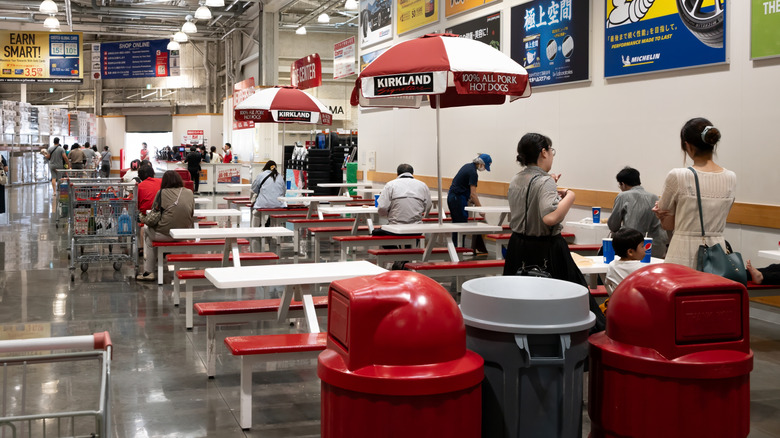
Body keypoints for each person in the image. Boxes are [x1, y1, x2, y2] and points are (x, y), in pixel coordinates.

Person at [503, 133, 606, 331]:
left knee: (521, 298)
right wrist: (570, 196)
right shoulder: (544, 182)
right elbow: (550, 218)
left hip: (518, 245)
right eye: (551, 151)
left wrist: (549, 184)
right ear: (543, 152)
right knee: (571, 297)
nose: (552, 155)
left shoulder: (517, 178)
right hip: (546, 248)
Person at [652, 118, 737, 269]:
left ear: (687, 145)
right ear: (713, 144)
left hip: (683, 253)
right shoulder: (730, 177)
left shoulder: (677, 176)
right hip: (717, 254)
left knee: (683, 291)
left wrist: (660, 213)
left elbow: (668, 224)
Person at [137, 170, 194, 281]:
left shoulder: (162, 193)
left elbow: (153, 215)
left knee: (147, 232)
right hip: (184, 234)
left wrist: (142, 218)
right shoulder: (189, 192)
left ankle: (149, 271)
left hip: (165, 234)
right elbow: (191, 213)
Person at [372, 163, 432, 267]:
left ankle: (398, 255)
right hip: (416, 229)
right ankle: (406, 257)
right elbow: (428, 206)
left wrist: (387, 215)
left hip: (395, 228)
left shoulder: (391, 185)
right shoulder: (422, 185)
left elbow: (381, 207)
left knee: (376, 232)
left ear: (397, 173)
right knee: (414, 231)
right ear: (412, 173)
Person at [607, 166, 668, 258]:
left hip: (634, 249)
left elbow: (613, 226)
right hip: (657, 248)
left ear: (623, 184)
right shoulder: (655, 197)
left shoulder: (623, 196)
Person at [447, 153, 491, 249]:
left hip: (454, 197)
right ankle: (458, 250)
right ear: (481, 164)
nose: (483, 168)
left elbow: (465, 188)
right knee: (461, 226)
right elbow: (473, 194)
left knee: (458, 225)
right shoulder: (473, 173)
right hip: (457, 199)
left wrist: (471, 200)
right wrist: (481, 209)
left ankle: (457, 249)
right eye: (484, 166)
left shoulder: (467, 166)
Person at [605, 228, 647, 295]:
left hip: (617, 302)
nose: (645, 249)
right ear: (630, 252)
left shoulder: (612, 265)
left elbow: (607, 284)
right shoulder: (643, 268)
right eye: (642, 246)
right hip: (637, 303)